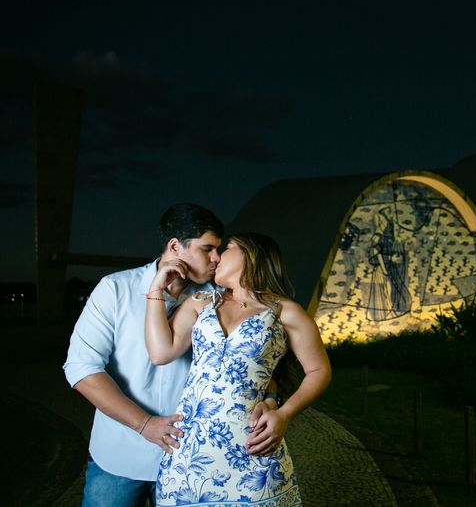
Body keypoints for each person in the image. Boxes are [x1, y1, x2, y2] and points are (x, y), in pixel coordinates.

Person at [63, 203, 278, 507]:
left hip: (194, 461)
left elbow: (253, 361)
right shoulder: (115, 289)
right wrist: (144, 424)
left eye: (219, 249)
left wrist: (272, 402)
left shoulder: (218, 299)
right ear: (175, 246)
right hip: (120, 456)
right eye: (207, 248)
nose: (216, 258)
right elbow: (81, 368)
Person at [144, 232, 332, 506]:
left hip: (254, 453)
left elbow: (319, 370)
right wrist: (156, 290)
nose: (216, 257)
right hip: (189, 454)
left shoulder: (284, 311)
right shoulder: (200, 302)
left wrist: (284, 414)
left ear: (252, 254)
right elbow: (160, 353)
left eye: (227, 248)